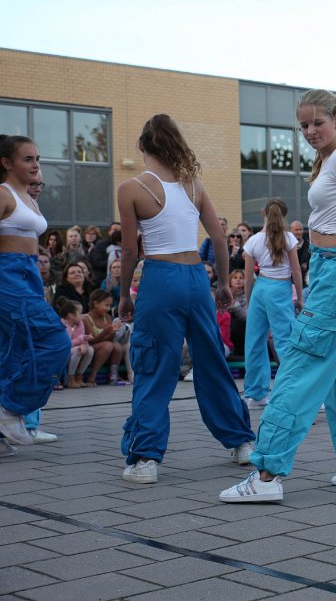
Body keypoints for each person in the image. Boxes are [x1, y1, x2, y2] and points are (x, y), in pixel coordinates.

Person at [220, 90, 336, 504]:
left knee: (300, 365)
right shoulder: (333, 160)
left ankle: (266, 475)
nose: (310, 131)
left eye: (317, 122)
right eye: (303, 125)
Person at [117, 114, 256, 484]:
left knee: (154, 364)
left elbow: (130, 252)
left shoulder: (131, 188)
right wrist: (224, 284)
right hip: (196, 277)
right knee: (211, 360)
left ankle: (145, 459)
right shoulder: (193, 185)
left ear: (142, 147)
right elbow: (220, 238)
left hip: (160, 279)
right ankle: (242, 443)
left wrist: (123, 295)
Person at [0, 134, 69, 447]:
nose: (35, 164)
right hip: (8, 274)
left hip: (28, 274)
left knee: (13, 348)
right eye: (27, 159)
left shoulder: (26, 195)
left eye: (37, 159)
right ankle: (10, 407)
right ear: (6, 163)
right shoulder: (3, 193)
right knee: (55, 340)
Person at [242, 198, 303, 409]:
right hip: (280, 289)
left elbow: (248, 277)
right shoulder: (289, 239)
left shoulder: (253, 241)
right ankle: (294, 393)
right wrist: (301, 298)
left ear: (263, 213)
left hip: (260, 289)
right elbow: (296, 271)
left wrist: (250, 301)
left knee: (255, 341)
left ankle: (256, 394)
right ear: (284, 215)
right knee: (285, 341)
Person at [82, 289, 126, 386]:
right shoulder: (86, 318)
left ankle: (114, 375)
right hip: (89, 349)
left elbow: (109, 339)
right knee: (108, 345)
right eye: (106, 305)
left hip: (104, 347)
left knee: (117, 346)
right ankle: (92, 376)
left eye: (110, 305)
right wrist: (106, 331)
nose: (109, 308)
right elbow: (92, 340)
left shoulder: (108, 317)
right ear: (96, 303)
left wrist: (113, 332)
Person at [57, 297, 94, 389]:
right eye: (80, 313)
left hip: (74, 348)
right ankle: (70, 378)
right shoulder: (62, 324)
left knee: (90, 350)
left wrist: (84, 343)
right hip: (64, 350)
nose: (82, 315)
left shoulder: (80, 323)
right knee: (78, 350)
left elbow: (82, 338)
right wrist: (81, 340)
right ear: (71, 315)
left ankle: (79, 376)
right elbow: (67, 343)